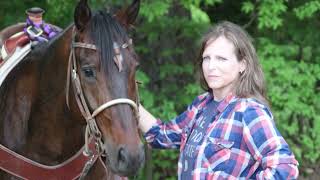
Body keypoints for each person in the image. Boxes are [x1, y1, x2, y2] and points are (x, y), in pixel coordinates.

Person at [138, 21, 299, 179]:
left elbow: (285, 167)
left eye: (221, 59)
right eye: (206, 58)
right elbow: (161, 135)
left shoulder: (249, 111)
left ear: (242, 65)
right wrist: (127, 100)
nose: (211, 66)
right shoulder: (200, 105)